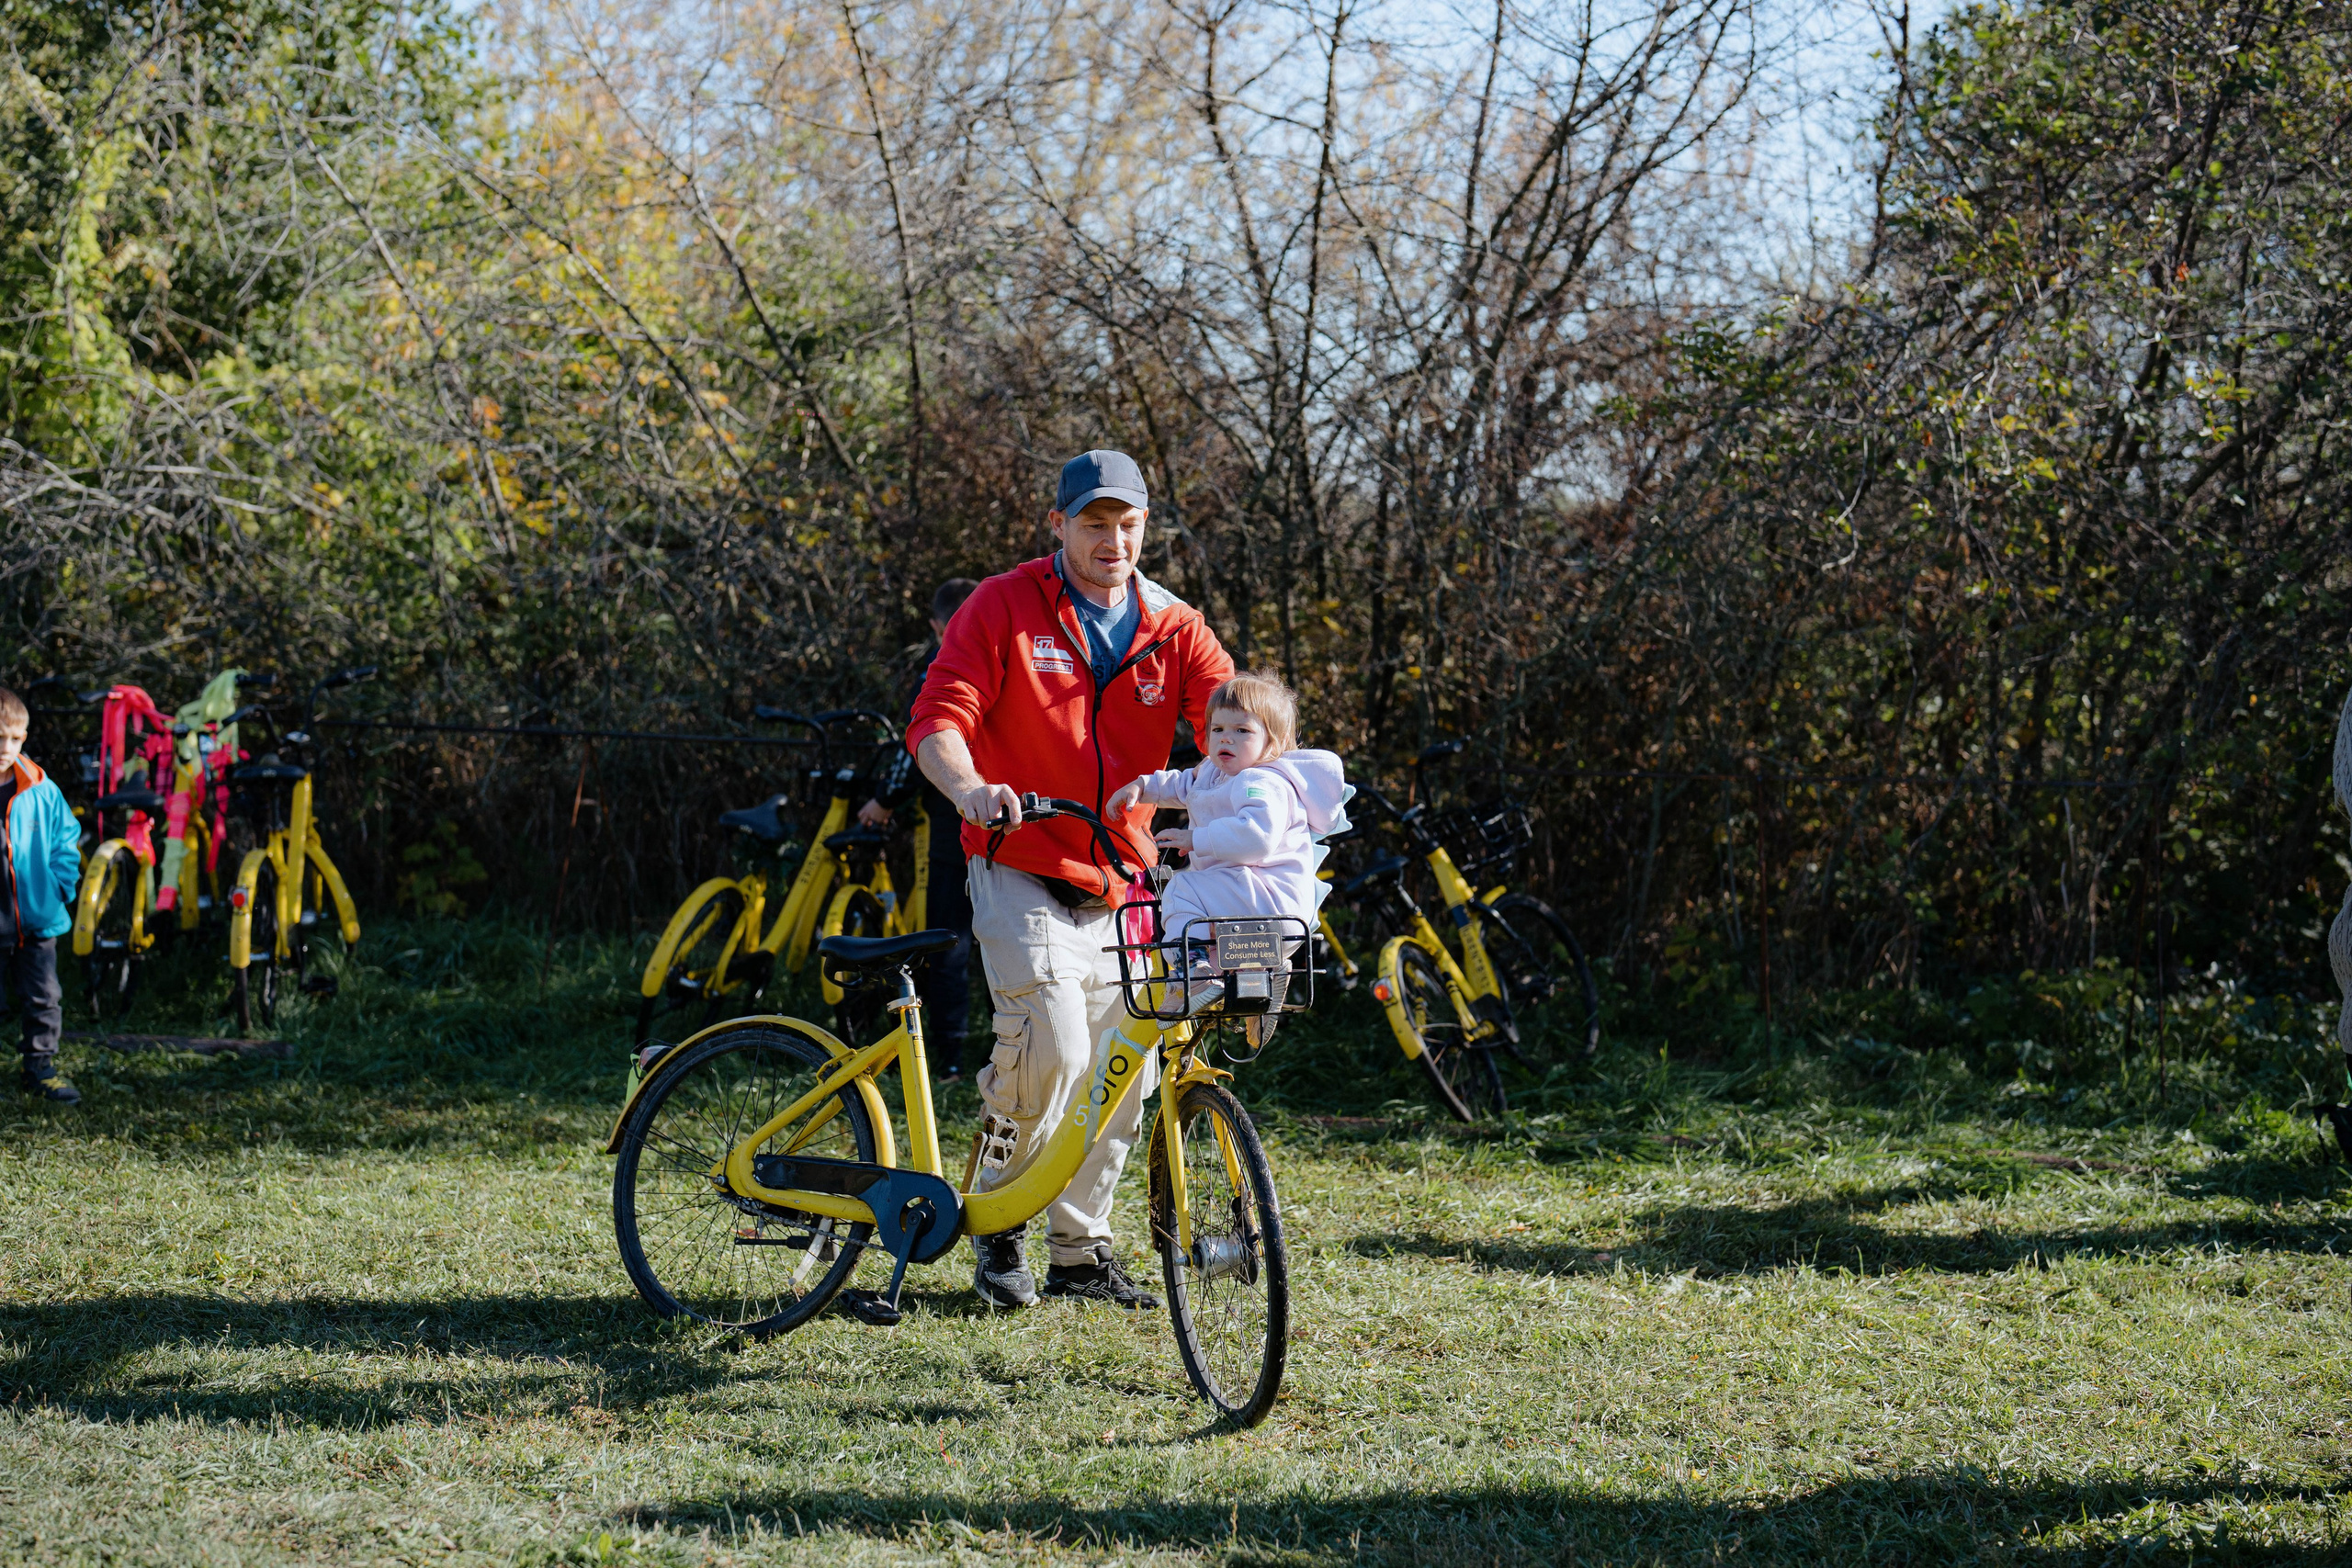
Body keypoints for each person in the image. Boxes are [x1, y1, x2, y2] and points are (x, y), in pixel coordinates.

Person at [908, 448, 1234, 1309]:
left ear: (1145, 529)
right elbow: (940, 718)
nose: (1113, 540)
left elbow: (1236, 725)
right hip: (1019, 859)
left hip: (1127, 876)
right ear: (1058, 526)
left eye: (1128, 524)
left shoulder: (1174, 626)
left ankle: (1081, 1253)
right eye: (1094, 523)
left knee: (1126, 1068)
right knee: (1056, 1044)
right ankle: (1000, 1218)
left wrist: (1269, 801)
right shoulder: (1003, 604)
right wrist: (972, 789)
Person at [1106, 671, 1351, 1039]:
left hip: (1268, 899)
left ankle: (1191, 973)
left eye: (1242, 731)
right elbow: (1185, 784)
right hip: (1251, 904)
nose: (1226, 739)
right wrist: (1144, 786)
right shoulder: (1215, 772)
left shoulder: (1262, 781)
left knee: (1183, 891)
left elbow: (1257, 837)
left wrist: (1196, 839)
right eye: (1217, 729)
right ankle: (1259, 987)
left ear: (1274, 741)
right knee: (1205, 925)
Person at [857, 577, 981, 1077]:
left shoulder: (941, 666)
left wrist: (885, 802)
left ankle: (948, 1057)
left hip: (953, 828)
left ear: (935, 624)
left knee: (947, 943)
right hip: (1012, 825)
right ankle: (1009, 1054)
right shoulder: (1005, 657)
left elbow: (920, 747)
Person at [0, 688, 85, 1103]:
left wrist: (59, 889)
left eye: (15, 739)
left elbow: (67, 841)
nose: (7, 748)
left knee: (44, 997)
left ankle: (41, 1069)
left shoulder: (39, 787)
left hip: (37, 918)